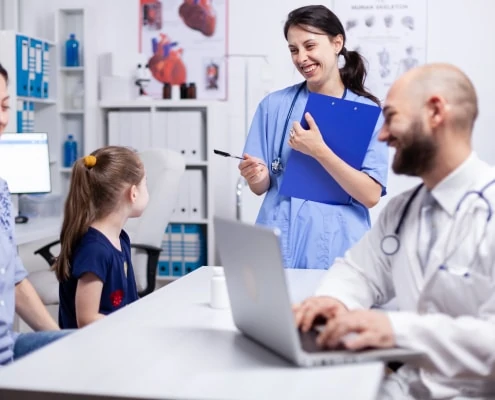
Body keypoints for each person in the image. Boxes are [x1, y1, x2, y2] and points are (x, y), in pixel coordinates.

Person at [294, 63, 495, 399]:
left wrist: (395, 330)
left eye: (390, 117)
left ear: (434, 111)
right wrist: (332, 301)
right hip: (403, 388)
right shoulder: (402, 210)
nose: (383, 135)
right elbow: (359, 271)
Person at [238, 5, 388, 269]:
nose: (301, 58)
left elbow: (370, 195)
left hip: (339, 243)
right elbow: (261, 186)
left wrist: (320, 151)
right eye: (293, 50)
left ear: (337, 43)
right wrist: (256, 176)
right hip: (277, 237)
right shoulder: (273, 106)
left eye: (310, 46)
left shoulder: (367, 113)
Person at [0, 62, 69, 365]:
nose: (2, 119)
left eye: (4, 106)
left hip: (9, 347)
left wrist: (58, 343)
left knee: (95, 351)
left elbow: (13, 277)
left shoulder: (1, 190)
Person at [55, 146, 149, 329]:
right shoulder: (95, 251)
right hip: (89, 348)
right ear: (133, 193)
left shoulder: (121, 239)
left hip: (112, 339)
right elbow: (87, 319)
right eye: (146, 183)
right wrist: (131, 325)